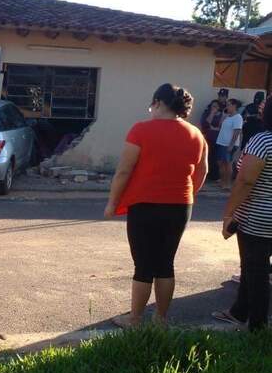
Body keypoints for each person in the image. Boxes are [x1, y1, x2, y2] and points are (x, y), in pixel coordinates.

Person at [104, 83, 208, 328]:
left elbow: (124, 171)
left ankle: (135, 319)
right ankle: (161, 319)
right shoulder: (196, 134)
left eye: (152, 104)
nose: (150, 109)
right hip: (181, 205)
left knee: (143, 265)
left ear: (159, 102)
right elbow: (202, 171)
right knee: (165, 263)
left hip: (144, 204)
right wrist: (188, 193)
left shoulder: (141, 130)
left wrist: (112, 203)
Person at [213, 96, 272, 331]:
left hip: (258, 217)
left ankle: (257, 328)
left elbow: (245, 180)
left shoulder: (263, 141)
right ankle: (239, 311)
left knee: (255, 270)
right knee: (251, 266)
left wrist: (229, 214)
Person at [216, 99, 243, 190]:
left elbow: (237, 131)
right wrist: (223, 116)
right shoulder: (227, 116)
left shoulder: (238, 117)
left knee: (228, 164)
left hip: (229, 144)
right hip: (221, 142)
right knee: (221, 163)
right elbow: (220, 126)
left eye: (229, 105)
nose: (227, 106)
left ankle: (227, 184)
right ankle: (222, 181)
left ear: (234, 106)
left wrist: (231, 145)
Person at [200, 99, 224, 180]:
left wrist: (213, 127)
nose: (214, 107)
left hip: (218, 139)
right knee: (208, 156)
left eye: (216, 106)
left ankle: (215, 176)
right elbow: (206, 123)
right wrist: (212, 113)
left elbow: (220, 127)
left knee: (216, 157)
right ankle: (207, 174)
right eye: (213, 106)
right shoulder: (207, 113)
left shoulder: (221, 115)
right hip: (208, 137)